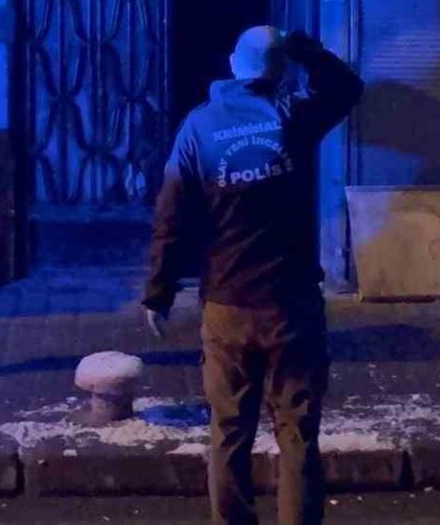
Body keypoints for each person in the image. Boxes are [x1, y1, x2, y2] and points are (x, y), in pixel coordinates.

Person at [143, 26, 364, 525]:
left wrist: (158, 291)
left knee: (229, 430)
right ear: (282, 70)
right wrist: (307, 50)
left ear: (231, 63)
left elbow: (171, 215)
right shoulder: (293, 114)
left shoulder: (198, 128)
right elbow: (347, 87)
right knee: (297, 432)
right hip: (292, 304)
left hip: (227, 304)